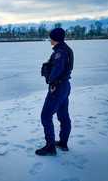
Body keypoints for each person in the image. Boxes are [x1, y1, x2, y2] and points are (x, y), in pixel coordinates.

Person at [36, 28, 74, 156]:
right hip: (65, 86)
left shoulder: (60, 53)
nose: (49, 40)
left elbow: (57, 70)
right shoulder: (66, 49)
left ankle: (50, 147)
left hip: (57, 87)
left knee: (45, 116)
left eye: (51, 38)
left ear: (55, 38)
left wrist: (50, 81)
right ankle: (63, 142)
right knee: (63, 115)